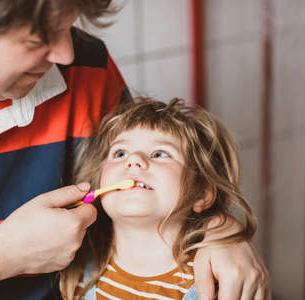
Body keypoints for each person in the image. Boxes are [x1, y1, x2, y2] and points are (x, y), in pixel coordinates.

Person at [0, 1, 269, 299]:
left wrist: (222, 231)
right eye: (42, 36)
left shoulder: (86, 66)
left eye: (67, 27)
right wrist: (1, 257)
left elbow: (162, 187)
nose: (66, 53)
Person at [59, 97, 261, 300]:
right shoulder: (76, 270)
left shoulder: (215, 282)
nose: (134, 159)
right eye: (120, 153)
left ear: (201, 194)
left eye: (160, 154)